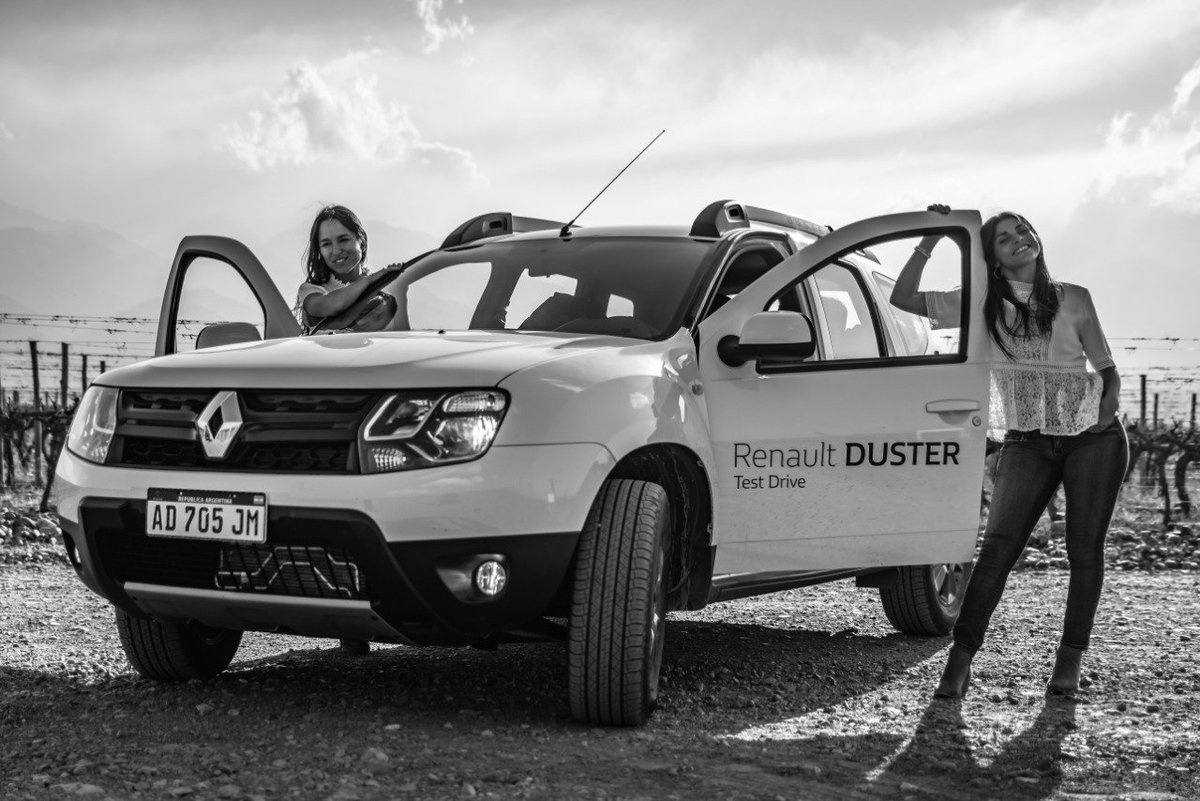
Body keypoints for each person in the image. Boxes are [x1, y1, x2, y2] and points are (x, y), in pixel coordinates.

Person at [890, 206, 1128, 699]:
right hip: (1027, 440)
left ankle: (1069, 661)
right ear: (994, 259)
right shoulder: (980, 302)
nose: (1020, 237)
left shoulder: (1075, 297)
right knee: (998, 549)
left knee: (1084, 551)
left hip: (1093, 438)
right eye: (1004, 238)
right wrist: (930, 240)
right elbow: (903, 297)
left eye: (1022, 229)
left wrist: (1103, 416)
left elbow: (1106, 369)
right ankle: (959, 660)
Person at [295, 204, 400, 334]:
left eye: (343, 240)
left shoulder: (385, 291)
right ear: (320, 251)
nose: (336, 251)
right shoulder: (310, 291)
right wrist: (368, 281)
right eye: (326, 244)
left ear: (361, 241)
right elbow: (335, 305)